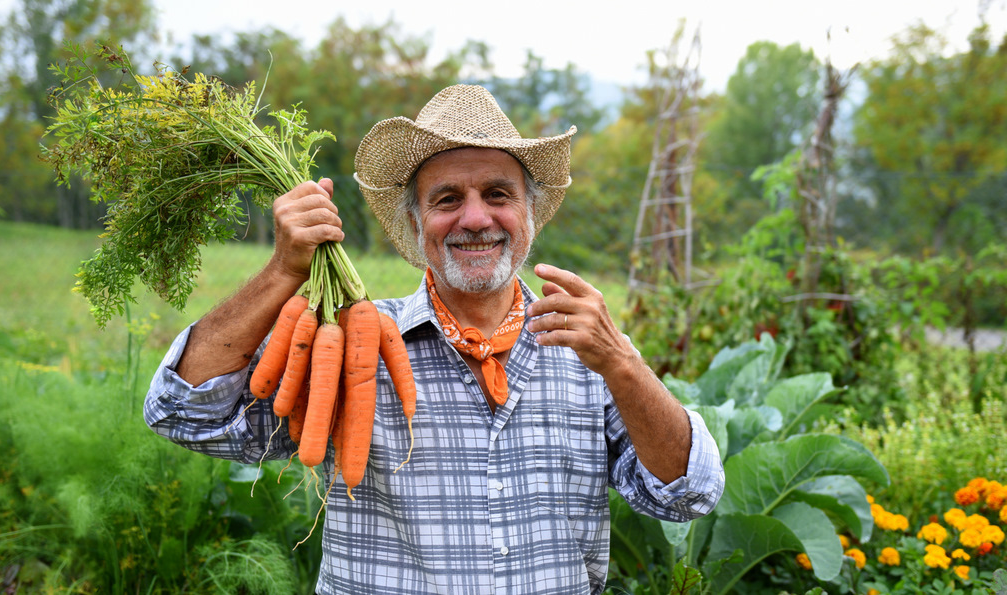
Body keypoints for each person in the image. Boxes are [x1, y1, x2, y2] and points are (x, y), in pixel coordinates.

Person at [145, 84, 724, 595]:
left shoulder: (588, 348)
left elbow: (687, 497)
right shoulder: (350, 342)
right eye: (447, 199)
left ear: (529, 213)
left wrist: (623, 362)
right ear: (417, 223)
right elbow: (183, 414)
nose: (475, 218)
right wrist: (282, 271)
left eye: (498, 194)